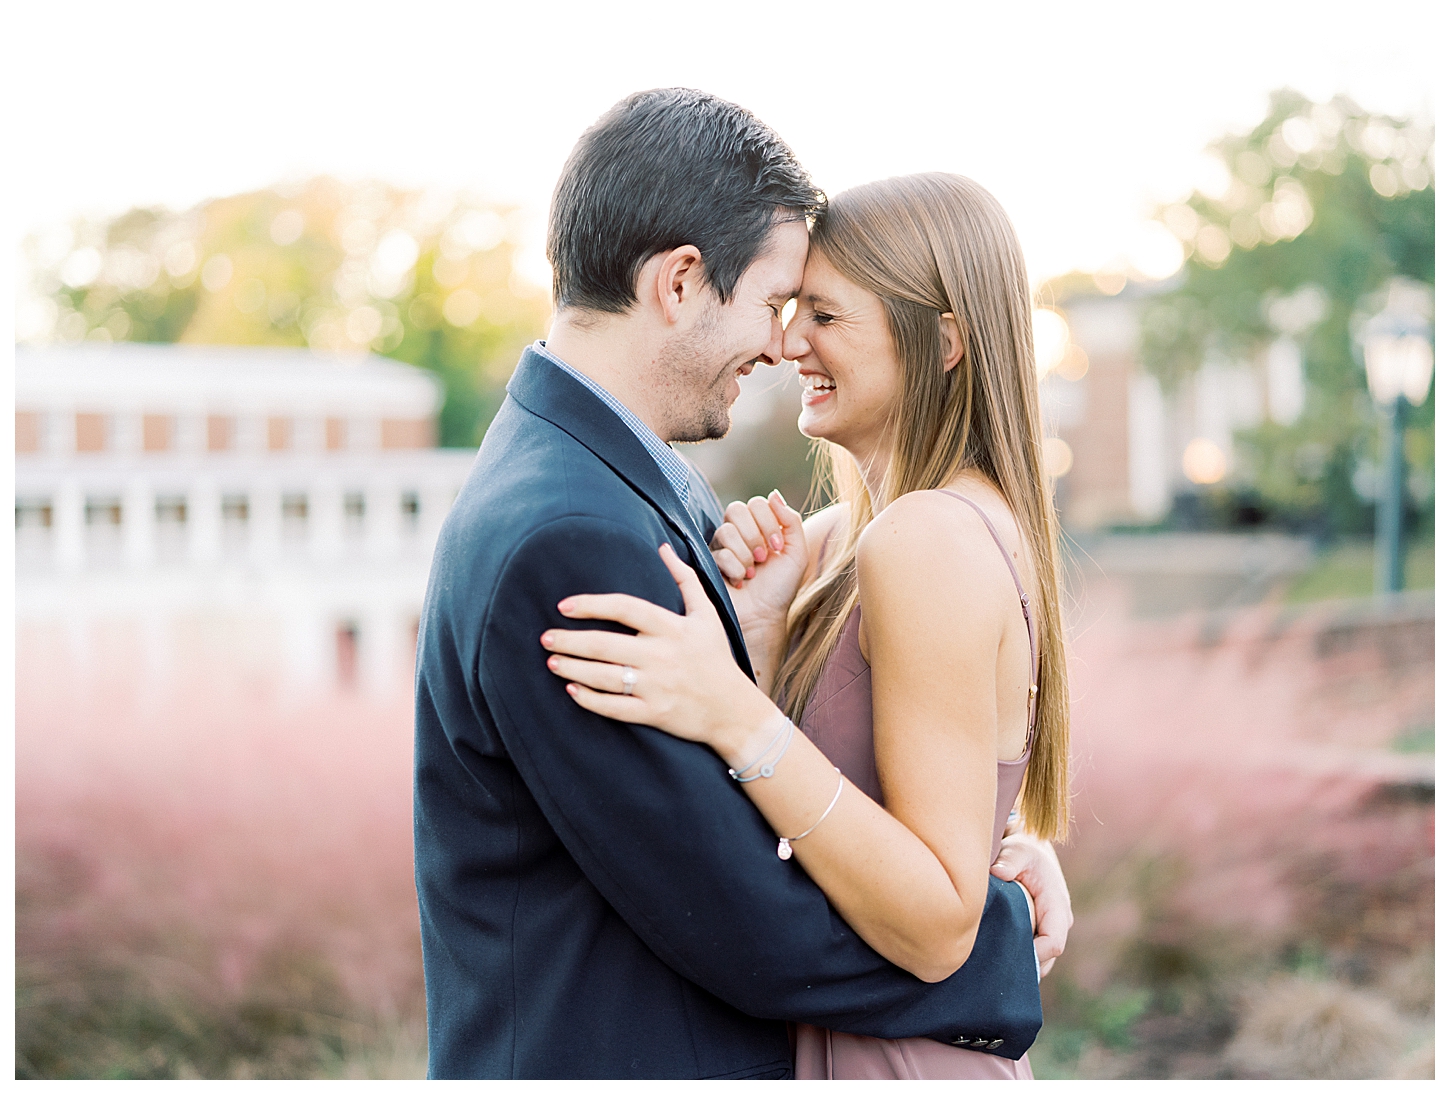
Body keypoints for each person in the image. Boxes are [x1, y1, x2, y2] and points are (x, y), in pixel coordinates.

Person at [413, 89, 1069, 1079]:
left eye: (818, 313)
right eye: (776, 306)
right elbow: (740, 914)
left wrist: (984, 846)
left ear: (939, 341)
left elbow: (777, 818)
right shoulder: (570, 534)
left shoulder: (619, 492)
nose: (782, 346)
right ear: (680, 282)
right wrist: (994, 933)